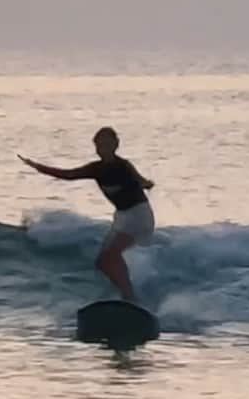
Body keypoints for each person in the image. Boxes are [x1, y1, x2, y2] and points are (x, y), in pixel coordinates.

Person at [19, 127, 154, 302]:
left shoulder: (124, 166)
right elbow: (68, 175)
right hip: (122, 217)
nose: (102, 148)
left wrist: (146, 183)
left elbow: (140, 180)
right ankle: (124, 291)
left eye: (107, 144)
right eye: (99, 145)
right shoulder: (96, 169)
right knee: (102, 263)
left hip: (138, 215)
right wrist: (38, 167)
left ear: (116, 145)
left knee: (111, 255)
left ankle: (129, 296)